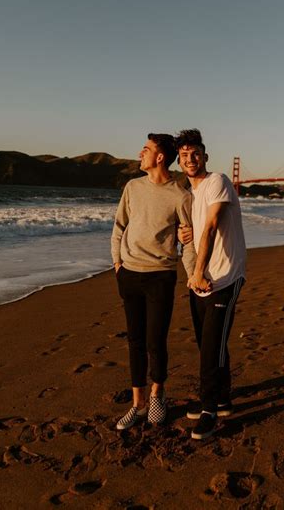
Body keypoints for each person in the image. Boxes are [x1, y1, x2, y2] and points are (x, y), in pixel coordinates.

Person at [111, 133, 196, 431]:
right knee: (135, 341)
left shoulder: (181, 195)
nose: (140, 153)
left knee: (155, 340)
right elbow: (119, 225)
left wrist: (193, 275)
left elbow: (189, 240)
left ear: (159, 157)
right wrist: (117, 263)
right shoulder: (132, 187)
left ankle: (158, 396)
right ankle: (137, 404)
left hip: (160, 276)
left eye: (145, 149)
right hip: (130, 274)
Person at [176, 129, 246, 440]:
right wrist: (183, 237)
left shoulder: (218, 181)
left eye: (195, 154)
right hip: (200, 277)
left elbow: (212, 227)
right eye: (184, 155)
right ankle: (222, 398)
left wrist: (200, 271)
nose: (190, 159)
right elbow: (194, 232)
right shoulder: (190, 195)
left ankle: (208, 410)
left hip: (224, 276)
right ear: (179, 161)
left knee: (210, 347)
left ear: (205, 157)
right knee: (211, 342)